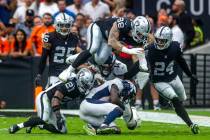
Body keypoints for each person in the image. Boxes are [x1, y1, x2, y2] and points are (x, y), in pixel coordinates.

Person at [59, 16, 151, 82]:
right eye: (140, 34)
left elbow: (142, 56)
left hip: (106, 40)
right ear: (134, 28)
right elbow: (111, 41)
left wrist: (142, 67)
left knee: (100, 59)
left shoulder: (142, 39)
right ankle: (69, 70)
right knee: (93, 48)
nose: (141, 37)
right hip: (97, 28)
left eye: (144, 35)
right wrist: (129, 50)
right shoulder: (123, 24)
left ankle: (79, 56)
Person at [145, 26, 199, 134]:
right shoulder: (150, 49)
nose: (159, 42)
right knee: (175, 99)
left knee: (182, 98)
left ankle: (172, 103)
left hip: (173, 77)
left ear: (169, 39)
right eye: (158, 40)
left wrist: (190, 74)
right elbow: (141, 65)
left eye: (162, 40)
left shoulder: (175, 47)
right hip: (159, 80)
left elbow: (181, 61)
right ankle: (191, 124)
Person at [8, 68, 95, 134]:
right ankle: (18, 126)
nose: (86, 87)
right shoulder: (71, 85)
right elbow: (55, 98)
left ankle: (37, 123)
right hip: (45, 98)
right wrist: (58, 117)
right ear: (80, 80)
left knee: (62, 130)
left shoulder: (79, 85)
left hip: (53, 104)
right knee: (44, 118)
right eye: (85, 84)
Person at [35, 12, 82, 88]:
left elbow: (76, 55)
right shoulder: (48, 37)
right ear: (57, 25)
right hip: (55, 73)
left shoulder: (74, 37)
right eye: (61, 25)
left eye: (66, 25)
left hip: (70, 72)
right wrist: (39, 74)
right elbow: (44, 57)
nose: (64, 28)